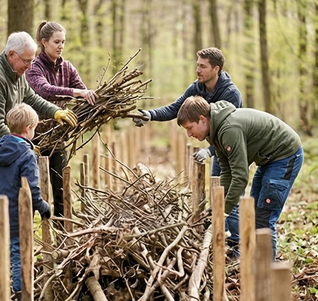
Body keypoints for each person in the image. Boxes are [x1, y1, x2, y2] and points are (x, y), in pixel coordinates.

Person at [0, 31, 79, 294]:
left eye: (33, 61)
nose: (30, 66)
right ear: (11, 55)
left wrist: (55, 111)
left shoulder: (17, 75)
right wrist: (24, 147)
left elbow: (31, 99)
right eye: (26, 61)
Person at [130, 47, 244, 247]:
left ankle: (237, 246)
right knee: (217, 194)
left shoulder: (231, 94)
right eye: (197, 65)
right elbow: (175, 108)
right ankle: (219, 241)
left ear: (216, 69)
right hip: (217, 149)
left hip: (231, 149)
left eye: (202, 66)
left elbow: (233, 131)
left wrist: (209, 151)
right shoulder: (197, 87)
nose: (197, 70)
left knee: (232, 195)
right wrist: (149, 115)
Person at [176, 97, 303, 260]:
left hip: (285, 156)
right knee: (254, 213)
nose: (189, 134)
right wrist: (217, 206)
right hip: (268, 160)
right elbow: (227, 172)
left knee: (263, 217)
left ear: (202, 119)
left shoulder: (229, 129)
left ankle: (269, 270)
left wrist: (223, 212)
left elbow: (241, 177)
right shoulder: (214, 132)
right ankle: (257, 262)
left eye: (190, 128)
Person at [25, 20, 97, 218]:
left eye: (63, 42)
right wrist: (75, 93)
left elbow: (83, 92)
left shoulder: (68, 67)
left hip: (58, 137)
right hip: (34, 138)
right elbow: (44, 90)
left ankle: (63, 237)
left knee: (61, 190)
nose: (61, 46)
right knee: (33, 189)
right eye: (57, 42)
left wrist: (91, 99)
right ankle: (28, 238)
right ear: (44, 42)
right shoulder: (33, 67)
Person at [0, 103, 52, 301]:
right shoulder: (26, 155)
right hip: (16, 215)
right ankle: (22, 295)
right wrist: (43, 207)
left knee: (0, 251)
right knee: (18, 253)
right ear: (28, 129)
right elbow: (31, 188)